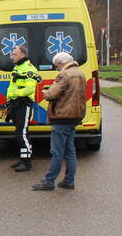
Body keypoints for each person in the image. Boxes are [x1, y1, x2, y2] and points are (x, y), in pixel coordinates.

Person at [33, 52, 86, 191]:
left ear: (62, 63)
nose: (57, 69)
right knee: (70, 149)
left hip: (62, 117)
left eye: (57, 66)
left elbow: (51, 94)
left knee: (57, 151)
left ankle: (49, 181)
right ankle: (69, 180)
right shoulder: (80, 73)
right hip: (75, 116)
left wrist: (46, 92)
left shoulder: (65, 75)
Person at [5, 45, 40, 172]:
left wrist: (14, 95)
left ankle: (26, 163)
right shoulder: (18, 67)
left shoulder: (29, 69)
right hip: (16, 104)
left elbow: (30, 89)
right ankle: (23, 158)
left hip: (23, 104)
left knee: (22, 133)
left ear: (23, 54)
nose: (12, 57)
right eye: (12, 54)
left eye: (15, 54)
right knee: (21, 132)